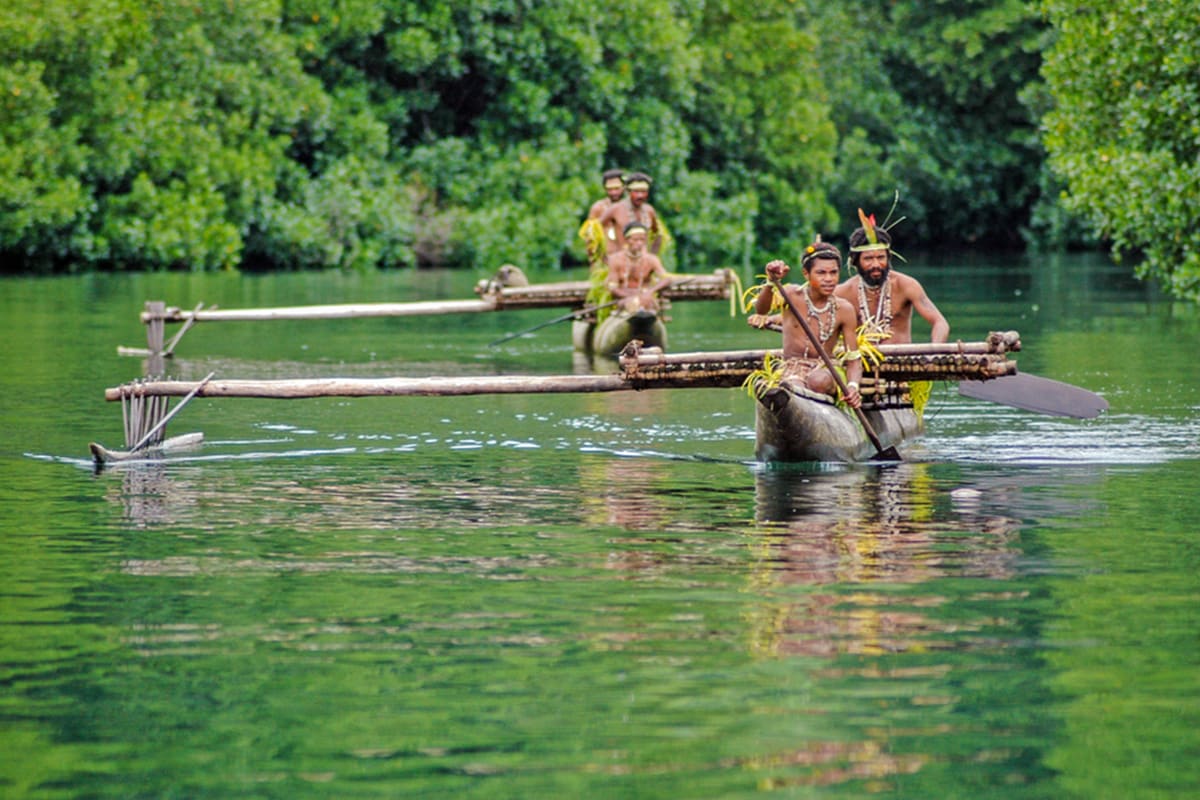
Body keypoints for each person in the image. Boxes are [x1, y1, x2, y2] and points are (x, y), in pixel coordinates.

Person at [752, 243, 862, 408]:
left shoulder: (844, 309)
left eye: (834, 273)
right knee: (794, 386)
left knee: (818, 381)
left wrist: (853, 387)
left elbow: (854, 359)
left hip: (826, 370)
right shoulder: (790, 295)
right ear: (806, 274)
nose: (829, 279)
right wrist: (771, 281)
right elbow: (761, 310)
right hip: (792, 369)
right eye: (821, 273)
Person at [834, 211, 949, 345]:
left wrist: (934, 352)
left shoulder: (906, 285)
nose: (876, 264)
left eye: (881, 257)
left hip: (903, 362)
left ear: (888, 258)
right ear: (855, 261)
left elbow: (940, 323)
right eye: (868, 259)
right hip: (859, 363)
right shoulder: (842, 293)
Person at [606, 221, 672, 312]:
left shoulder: (651, 259)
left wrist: (650, 292)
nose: (639, 243)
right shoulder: (615, 260)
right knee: (630, 304)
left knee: (648, 304)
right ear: (627, 240)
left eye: (642, 240)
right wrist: (632, 297)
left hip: (646, 299)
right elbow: (613, 288)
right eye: (636, 240)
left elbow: (667, 279)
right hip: (624, 299)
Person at [599, 171, 667, 255]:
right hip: (620, 263)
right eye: (636, 191)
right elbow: (593, 231)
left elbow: (658, 234)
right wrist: (606, 254)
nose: (640, 196)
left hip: (642, 263)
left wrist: (652, 256)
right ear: (628, 192)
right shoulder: (616, 209)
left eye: (643, 191)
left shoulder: (649, 210)